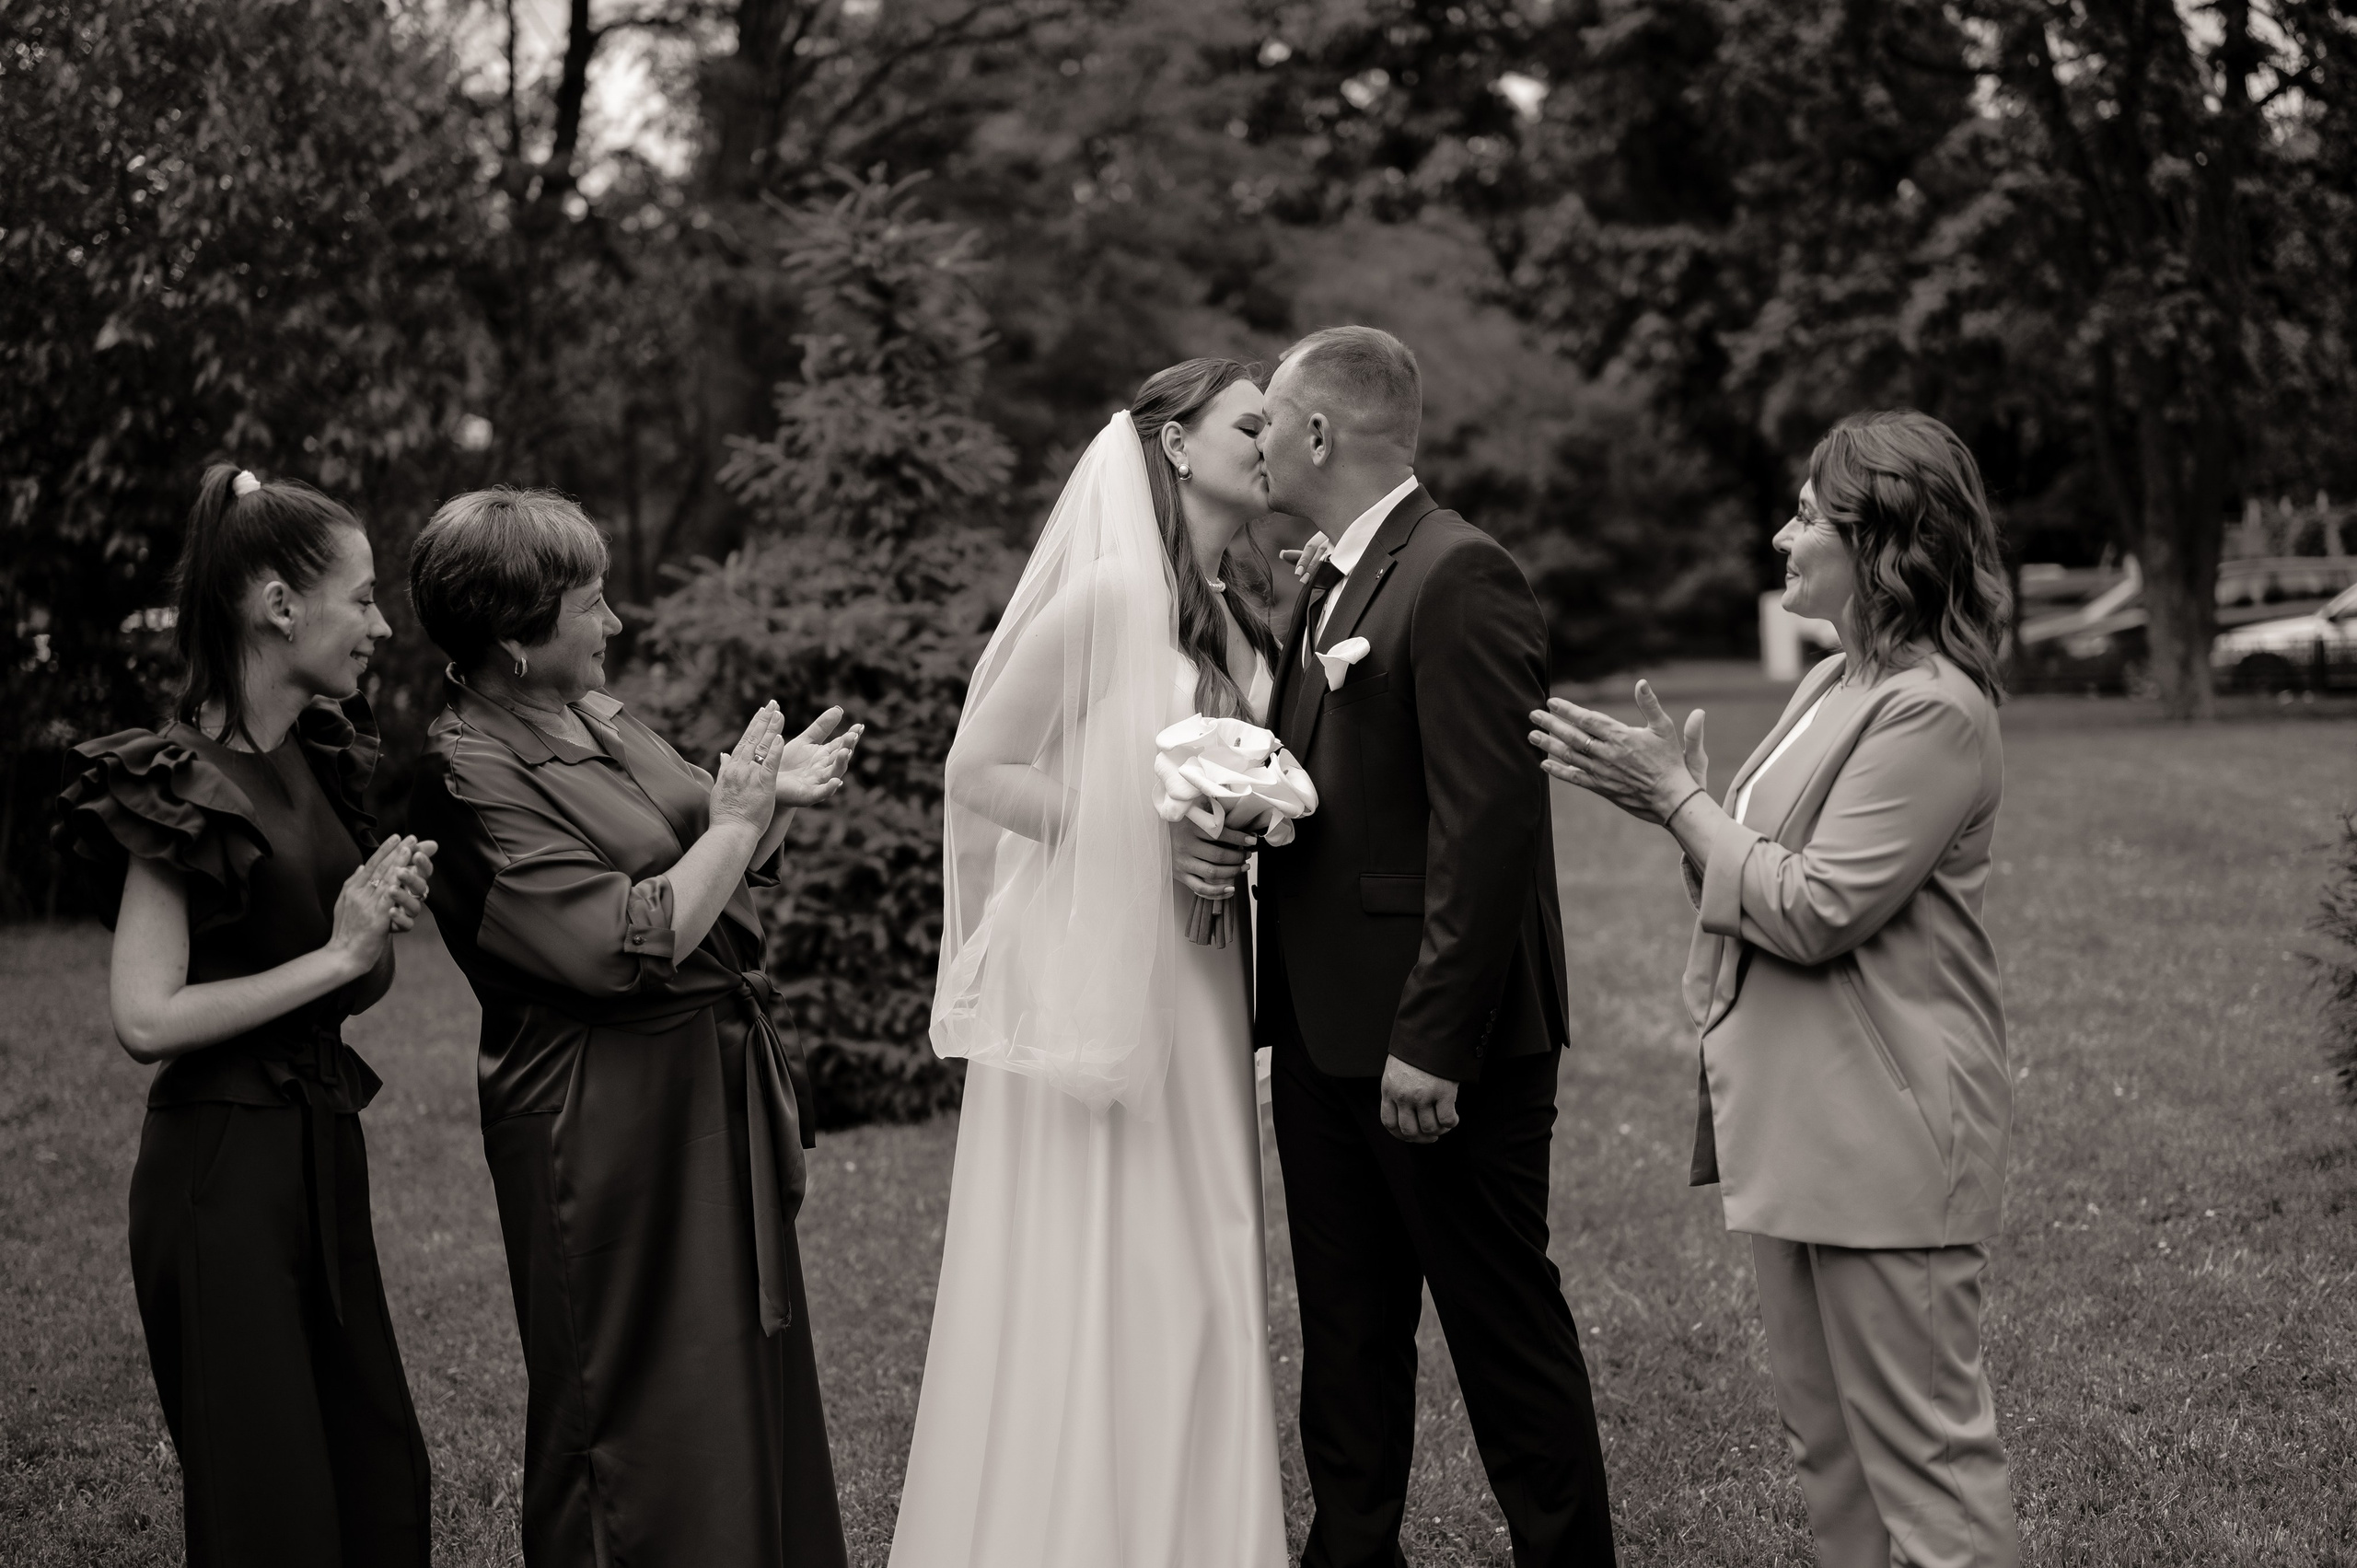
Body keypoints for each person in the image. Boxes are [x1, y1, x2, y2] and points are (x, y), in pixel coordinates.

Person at [1528, 408, 2020, 1568]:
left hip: (1887, 1124)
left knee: (1929, 1472)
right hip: (1801, 1119)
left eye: (1804, 513)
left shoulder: (1934, 709)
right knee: (1830, 1454)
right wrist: (1688, 806)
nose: (1778, 534)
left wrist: (1676, 802)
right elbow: (1755, 870)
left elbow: (1813, 908)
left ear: (1878, 537)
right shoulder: (1830, 684)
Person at [402, 487, 862, 1568]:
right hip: (599, 1116)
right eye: (590, 606)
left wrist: (765, 799)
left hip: (702, 1081)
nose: (613, 624)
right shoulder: (468, 768)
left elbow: (698, 838)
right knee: (634, 1399)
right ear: (516, 639)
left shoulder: (595, 711)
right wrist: (739, 818)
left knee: (737, 1373)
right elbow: (629, 936)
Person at [894, 359, 1289, 1567]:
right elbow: (981, 770)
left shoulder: (1243, 612)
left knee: (1207, 1244)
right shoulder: (1112, 589)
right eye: (1249, 421)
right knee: (1117, 1255)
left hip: (1211, 969)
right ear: (1172, 443)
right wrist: (1139, 831)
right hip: (1110, 969)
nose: (1273, 440)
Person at [1252, 325, 1618, 1568]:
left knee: (1500, 1329)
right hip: (1316, 1032)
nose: (1255, 442)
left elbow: (1491, 825)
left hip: (1437, 1050)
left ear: (1318, 433)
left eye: (1270, 421)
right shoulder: (1322, 584)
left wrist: (1430, 1040)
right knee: (1347, 1334)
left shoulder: (1459, 572)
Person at [52, 464, 436, 1568]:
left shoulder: (320, 757)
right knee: (271, 1507)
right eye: (360, 598)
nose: (379, 622)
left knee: (377, 1477)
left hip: (320, 1157)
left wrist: (370, 935)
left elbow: (347, 983)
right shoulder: (180, 780)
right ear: (278, 605)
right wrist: (337, 950)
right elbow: (145, 1014)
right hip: (217, 1177)